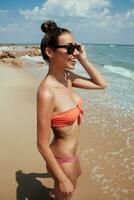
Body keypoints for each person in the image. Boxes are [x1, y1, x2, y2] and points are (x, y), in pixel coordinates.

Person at [37, 20, 108, 200]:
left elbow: (101, 84)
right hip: (62, 160)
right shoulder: (46, 92)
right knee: (66, 195)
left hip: (72, 155)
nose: (74, 53)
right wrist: (61, 179)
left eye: (76, 47)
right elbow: (41, 144)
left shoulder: (67, 77)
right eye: (69, 48)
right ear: (50, 52)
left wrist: (83, 59)